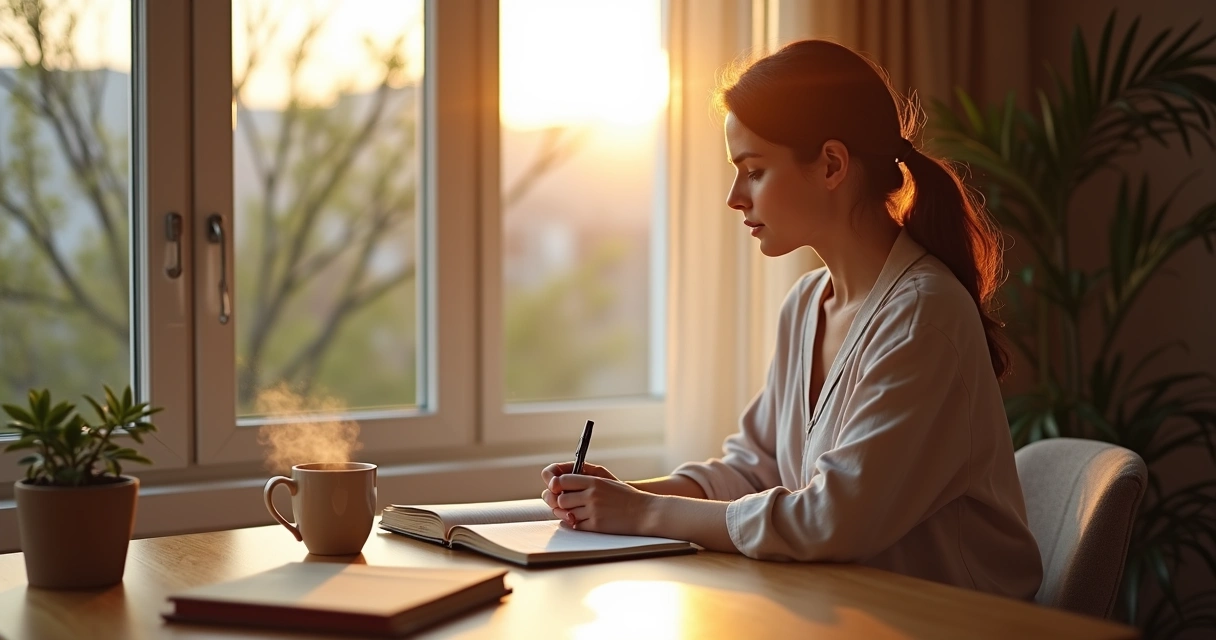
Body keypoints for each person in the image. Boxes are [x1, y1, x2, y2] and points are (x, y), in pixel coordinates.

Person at [541, 39, 1043, 600]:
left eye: (753, 171)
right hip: (848, 611)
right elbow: (753, 470)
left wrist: (647, 513)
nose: (734, 197)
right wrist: (617, 496)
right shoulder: (808, 304)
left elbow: (831, 520)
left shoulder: (922, 317)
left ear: (831, 164)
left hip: (954, 623)